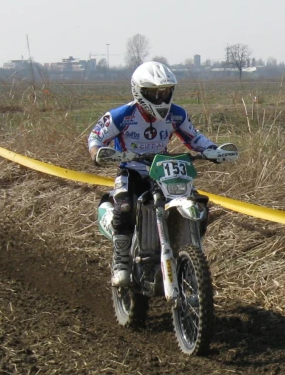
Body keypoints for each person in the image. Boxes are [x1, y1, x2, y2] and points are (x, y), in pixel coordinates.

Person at [88, 61, 219, 287]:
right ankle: (121, 263)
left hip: (163, 170)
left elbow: (194, 137)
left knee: (199, 206)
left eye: (165, 92)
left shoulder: (177, 114)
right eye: (153, 93)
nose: (160, 99)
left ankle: (184, 250)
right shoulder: (122, 115)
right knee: (125, 208)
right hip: (131, 170)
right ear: (139, 91)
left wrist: (213, 150)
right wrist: (98, 152)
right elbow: (95, 136)